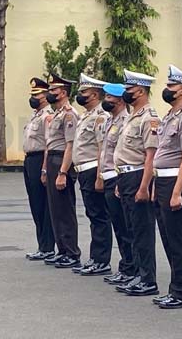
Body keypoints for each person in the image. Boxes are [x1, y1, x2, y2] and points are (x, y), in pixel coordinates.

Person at [152, 65, 182, 309]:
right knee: (168, 237)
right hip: (162, 180)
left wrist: (177, 191)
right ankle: (174, 288)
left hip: (176, 181)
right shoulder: (170, 115)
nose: (167, 90)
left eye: (171, 86)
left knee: (178, 238)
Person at [113, 69, 161, 297]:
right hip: (125, 177)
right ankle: (138, 274)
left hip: (138, 176)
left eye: (129, 90)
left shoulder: (149, 118)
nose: (126, 93)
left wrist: (144, 186)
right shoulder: (132, 116)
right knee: (131, 228)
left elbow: (150, 156)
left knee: (142, 230)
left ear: (140, 91)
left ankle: (148, 279)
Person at [72, 74, 112, 276]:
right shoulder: (85, 115)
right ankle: (96, 258)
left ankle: (101, 260)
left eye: (84, 92)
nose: (80, 96)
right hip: (83, 170)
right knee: (93, 214)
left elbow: (101, 147)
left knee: (99, 216)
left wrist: (99, 176)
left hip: (92, 169)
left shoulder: (100, 117)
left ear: (95, 94)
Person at [42, 73, 82, 269]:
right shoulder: (57, 113)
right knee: (55, 209)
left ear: (63, 92)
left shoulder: (69, 114)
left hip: (61, 161)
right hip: (52, 160)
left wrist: (63, 172)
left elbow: (70, 145)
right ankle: (63, 250)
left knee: (65, 209)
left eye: (53, 90)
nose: (50, 93)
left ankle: (72, 252)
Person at [99, 83, 135, 286]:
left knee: (125, 225)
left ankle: (131, 267)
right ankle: (126, 265)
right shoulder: (110, 121)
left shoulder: (125, 121)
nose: (106, 100)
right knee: (119, 226)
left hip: (118, 176)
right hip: (108, 175)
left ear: (120, 100)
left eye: (109, 97)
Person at [23, 77, 56, 260]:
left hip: (39, 160)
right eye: (32, 95)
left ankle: (48, 246)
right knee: (35, 204)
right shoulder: (35, 115)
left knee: (44, 205)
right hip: (29, 160)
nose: (33, 98)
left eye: (37, 95)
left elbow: (48, 145)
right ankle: (41, 245)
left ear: (45, 96)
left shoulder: (47, 116)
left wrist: (44, 169)